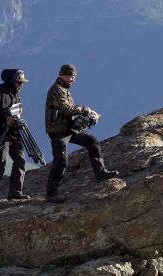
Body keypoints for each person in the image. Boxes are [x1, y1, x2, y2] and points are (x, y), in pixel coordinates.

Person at [45, 64, 119, 203]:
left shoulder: (64, 89)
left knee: (92, 141)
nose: (72, 79)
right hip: (58, 131)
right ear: (62, 75)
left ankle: (101, 173)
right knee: (61, 159)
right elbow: (65, 108)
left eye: (74, 77)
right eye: (70, 76)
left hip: (69, 129)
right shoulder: (56, 90)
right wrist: (82, 109)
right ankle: (51, 193)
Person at [0, 69, 31, 204]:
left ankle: (15, 192)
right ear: (12, 81)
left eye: (22, 83)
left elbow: (15, 108)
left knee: (20, 160)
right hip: (1, 133)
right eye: (19, 82)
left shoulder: (16, 93)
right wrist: (5, 118)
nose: (21, 85)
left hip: (14, 132)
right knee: (0, 163)